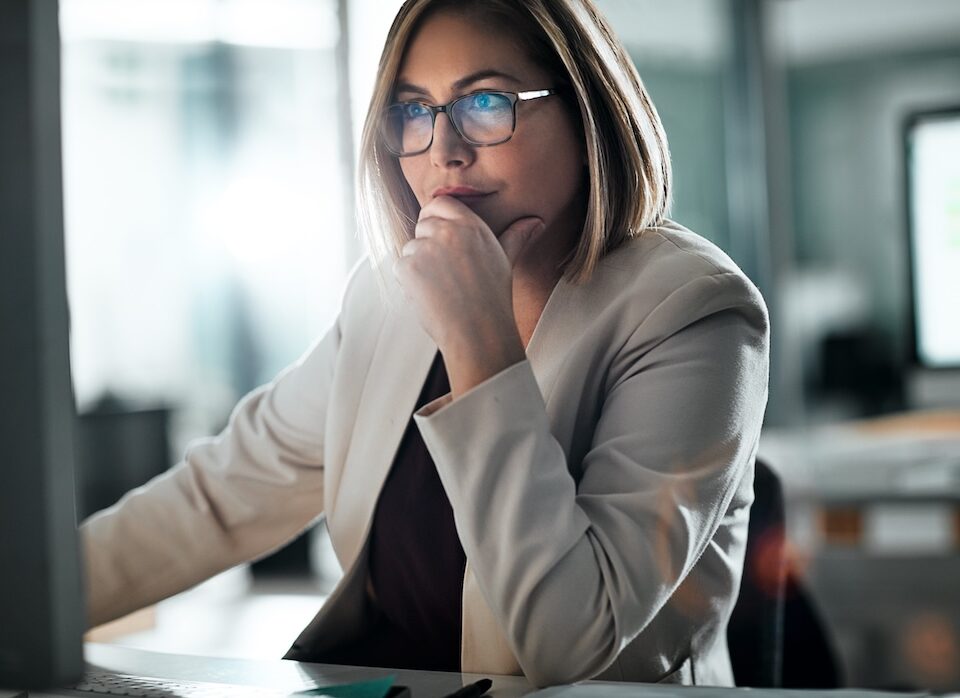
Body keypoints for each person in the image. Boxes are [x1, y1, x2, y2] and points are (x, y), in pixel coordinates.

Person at [81, 0, 769, 688]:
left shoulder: (694, 311)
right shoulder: (390, 296)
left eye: (486, 102)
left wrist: (479, 339)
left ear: (585, 107)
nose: (444, 150)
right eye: (413, 111)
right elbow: (218, 498)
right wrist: (27, 604)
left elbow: (569, 641)